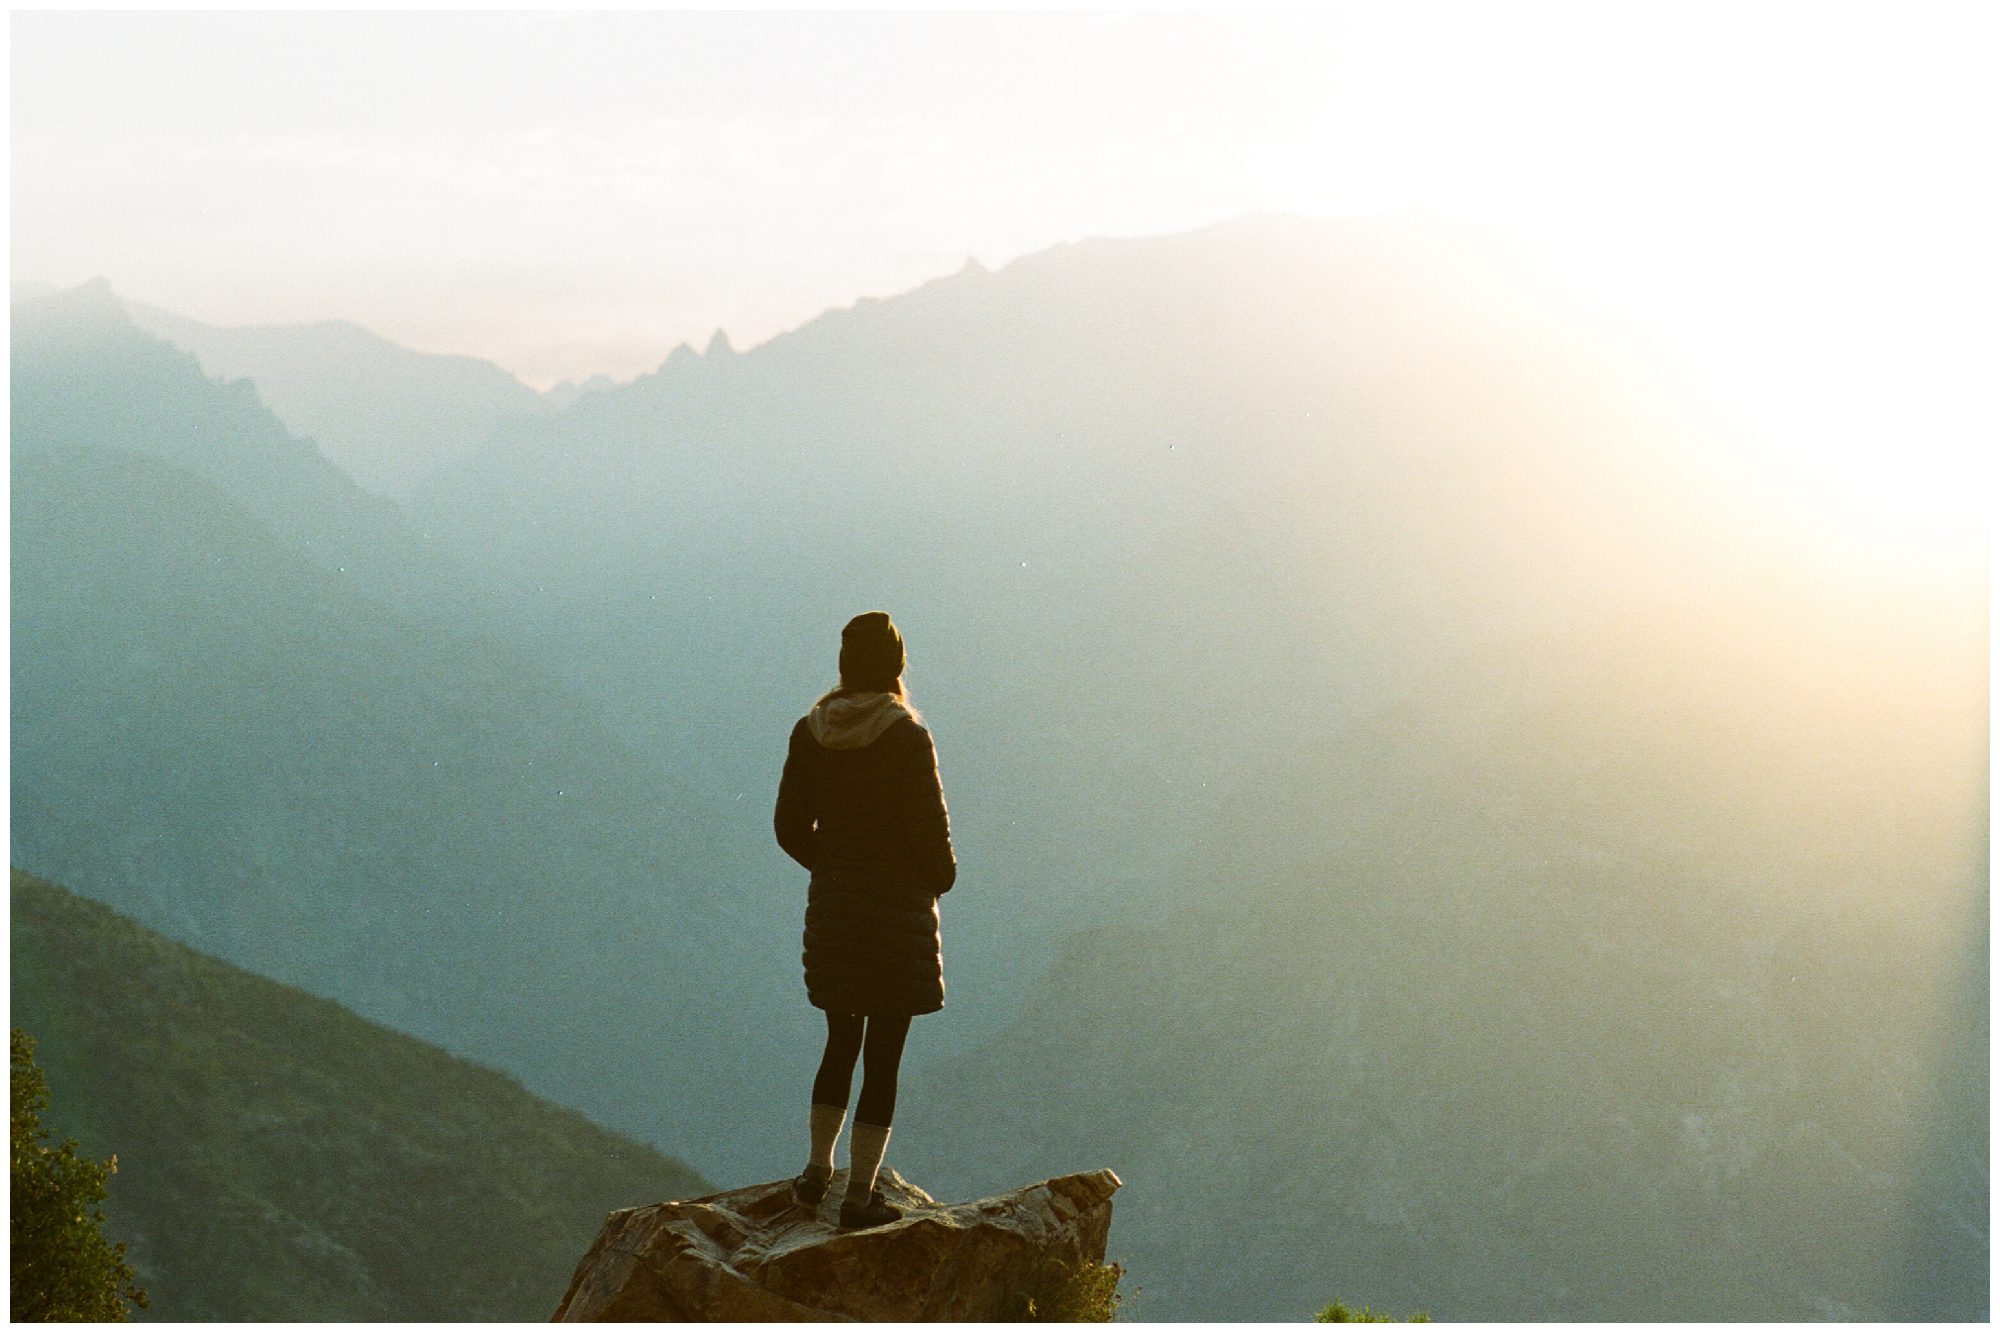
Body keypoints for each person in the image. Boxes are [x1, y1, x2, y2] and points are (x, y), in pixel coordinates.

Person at [773, 610, 957, 1230]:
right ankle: (860, 1197)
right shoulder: (907, 736)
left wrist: (832, 869)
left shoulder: (810, 731)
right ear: (896, 668)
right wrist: (934, 880)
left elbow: (788, 829)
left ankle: (815, 1173)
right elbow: (934, 840)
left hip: (836, 908)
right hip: (897, 911)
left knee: (839, 1040)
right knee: (884, 1055)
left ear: (845, 665)